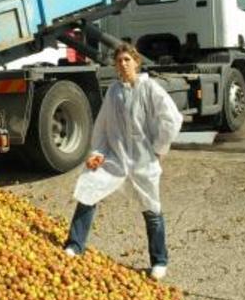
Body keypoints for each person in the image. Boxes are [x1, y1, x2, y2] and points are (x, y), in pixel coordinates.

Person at [64, 43, 183, 281]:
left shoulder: (150, 89)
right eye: (119, 61)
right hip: (116, 157)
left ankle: (159, 260)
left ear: (136, 62)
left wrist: (159, 149)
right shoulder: (113, 92)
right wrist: (97, 153)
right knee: (89, 188)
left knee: (152, 208)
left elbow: (171, 118)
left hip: (142, 160)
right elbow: (103, 125)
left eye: (127, 59)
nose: (123, 64)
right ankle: (74, 245)